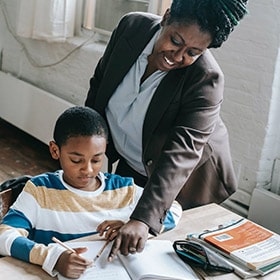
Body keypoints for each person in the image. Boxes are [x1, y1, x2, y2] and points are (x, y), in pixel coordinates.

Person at [85, 0, 249, 260]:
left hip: (185, 185)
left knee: (166, 258)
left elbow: (182, 152)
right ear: (167, 16)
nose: (178, 56)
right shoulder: (131, 27)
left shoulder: (205, 77)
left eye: (192, 52)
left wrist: (143, 218)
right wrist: (83, 152)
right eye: (175, 40)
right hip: (135, 160)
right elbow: (99, 86)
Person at [0, 106, 182, 279]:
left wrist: (136, 224)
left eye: (96, 160)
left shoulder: (123, 188)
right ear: (55, 150)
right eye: (76, 160)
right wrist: (52, 258)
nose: (87, 170)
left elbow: (173, 209)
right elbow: (4, 236)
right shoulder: (40, 190)